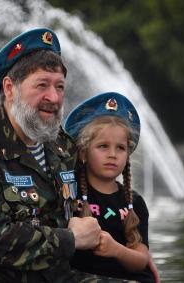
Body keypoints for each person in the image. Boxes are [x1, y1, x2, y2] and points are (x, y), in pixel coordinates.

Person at [0, 28, 132, 283]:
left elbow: (93, 207)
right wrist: (71, 239)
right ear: (10, 88)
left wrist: (134, 253)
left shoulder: (64, 147)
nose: (54, 97)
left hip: (51, 273)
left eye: (60, 86)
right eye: (42, 85)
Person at [64, 92, 160, 283]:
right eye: (103, 146)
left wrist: (117, 250)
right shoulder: (69, 194)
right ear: (83, 152)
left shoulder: (135, 202)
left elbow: (141, 260)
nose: (113, 154)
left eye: (120, 148)